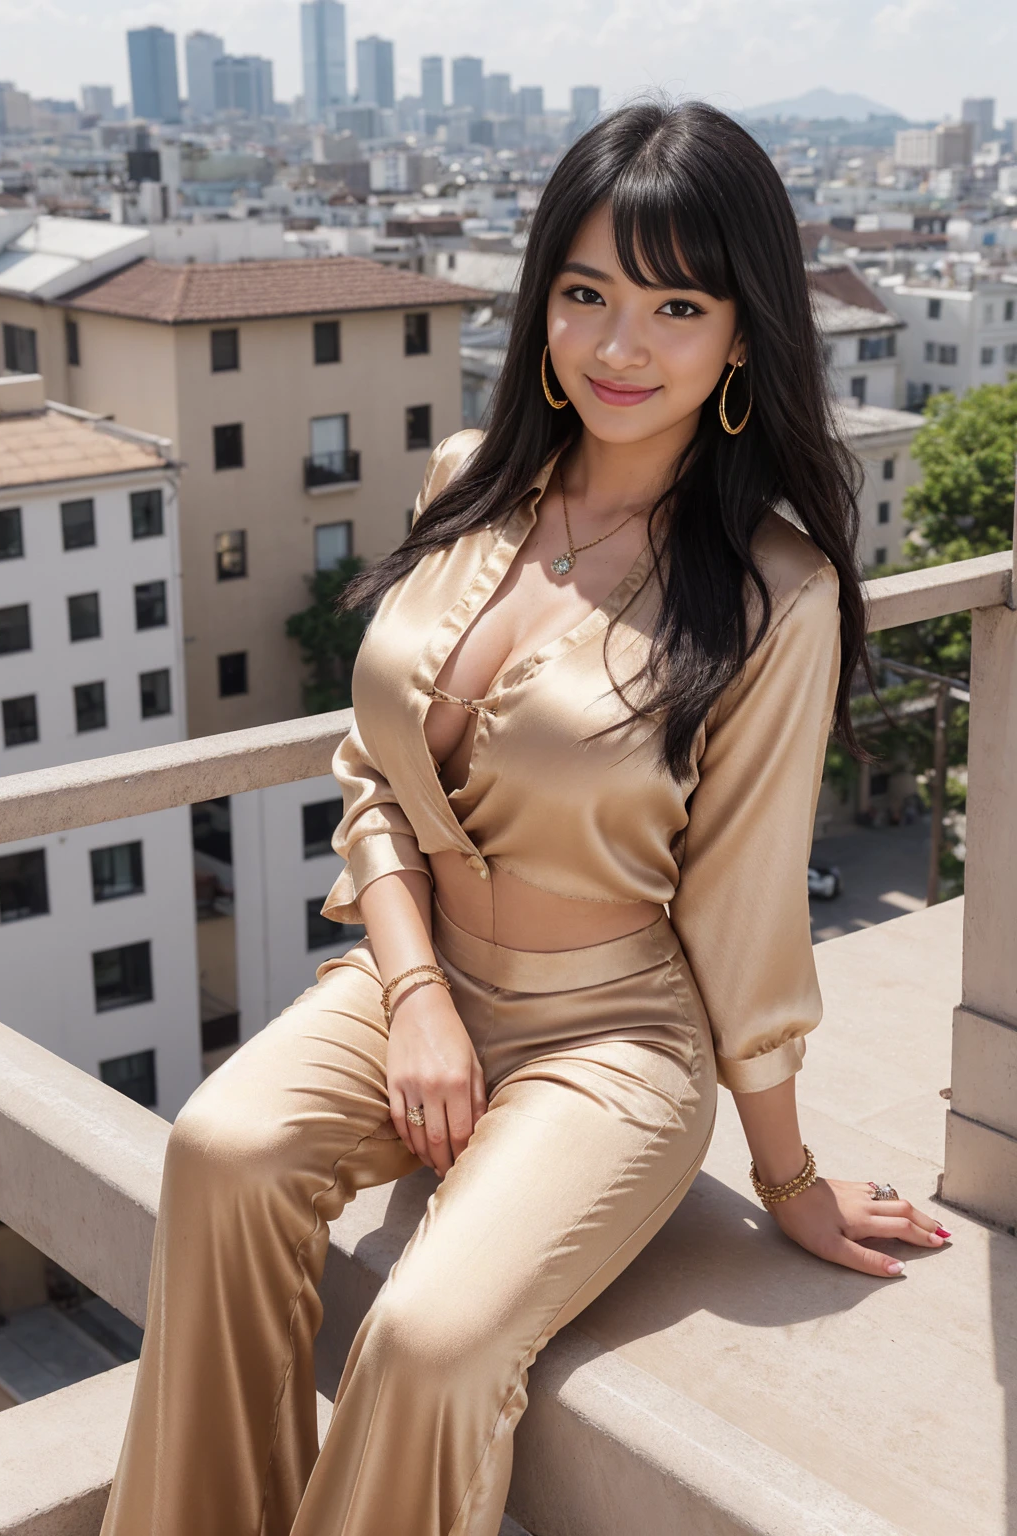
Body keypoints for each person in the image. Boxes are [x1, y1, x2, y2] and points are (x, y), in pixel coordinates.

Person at [99, 100, 951, 1536]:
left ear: (746, 335)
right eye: (586, 294)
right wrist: (417, 992)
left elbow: (743, 909)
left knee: (432, 1345)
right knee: (219, 1152)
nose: (621, 347)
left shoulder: (772, 594)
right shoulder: (466, 483)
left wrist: (789, 1174)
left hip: (613, 1037)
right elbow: (374, 767)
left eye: (677, 305)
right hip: (411, 973)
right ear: (542, 298)